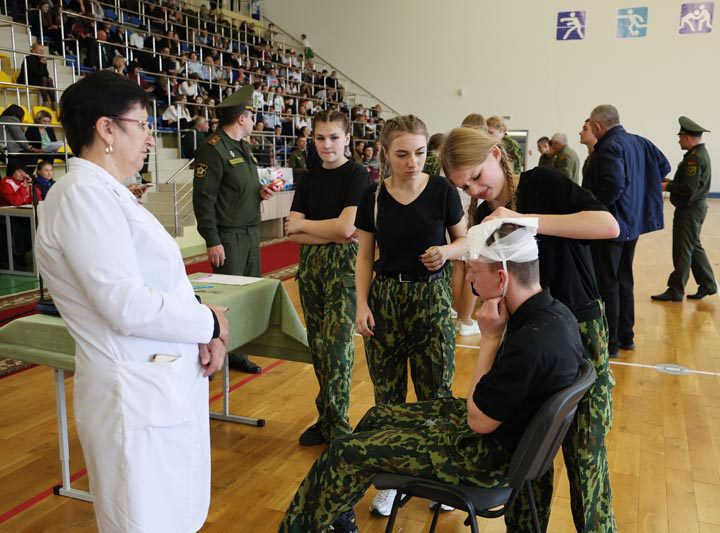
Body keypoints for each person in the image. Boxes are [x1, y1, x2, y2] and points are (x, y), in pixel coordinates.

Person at [279, 220, 584, 533]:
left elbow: (479, 421)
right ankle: (335, 515)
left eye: (475, 272)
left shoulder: (530, 343)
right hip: (501, 438)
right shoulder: (556, 314)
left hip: (483, 457)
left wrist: (490, 339)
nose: (470, 280)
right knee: (376, 417)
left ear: (502, 278)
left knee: (344, 453)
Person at [33, 71, 229, 533]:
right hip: (132, 391)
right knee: (141, 519)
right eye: (141, 125)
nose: (148, 139)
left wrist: (203, 327)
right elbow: (123, 303)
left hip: (158, 380)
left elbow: (157, 285)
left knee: (170, 513)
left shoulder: (105, 193)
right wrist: (208, 324)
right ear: (106, 128)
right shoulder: (80, 196)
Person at [441, 126, 619, 532]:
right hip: (526, 339)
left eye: (475, 177)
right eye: (462, 185)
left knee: (585, 455)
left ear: (497, 155)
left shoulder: (541, 182)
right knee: (528, 454)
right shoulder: (485, 217)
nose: (473, 190)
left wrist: (526, 220)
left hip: (579, 329)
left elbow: (607, 225)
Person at [354, 115, 466, 517]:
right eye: (402, 154)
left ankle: (439, 481)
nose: (413, 162)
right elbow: (365, 256)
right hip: (385, 299)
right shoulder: (374, 197)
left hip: (430, 298)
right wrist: (361, 304)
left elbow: (464, 240)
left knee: (436, 394)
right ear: (385, 153)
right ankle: (392, 481)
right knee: (388, 398)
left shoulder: (442, 192)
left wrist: (447, 253)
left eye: (419, 153)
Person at [284, 110, 371, 447]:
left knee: (336, 348)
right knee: (318, 347)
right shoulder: (309, 178)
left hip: (344, 269)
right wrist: (327, 230)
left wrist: (311, 226)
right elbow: (291, 231)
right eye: (320, 138)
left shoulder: (357, 175)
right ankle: (326, 418)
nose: (326, 144)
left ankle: (339, 425)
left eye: (334, 137)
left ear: (347, 138)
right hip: (311, 269)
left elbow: (347, 228)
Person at [193, 84, 274, 374]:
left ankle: (238, 353)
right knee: (226, 299)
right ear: (242, 118)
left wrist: (259, 192)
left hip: (250, 232)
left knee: (246, 296)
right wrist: (212, 240)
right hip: (228, 236)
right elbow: (204, 199)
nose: (254, 122)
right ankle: (214, 355)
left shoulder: (242, 147)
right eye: (251, 117)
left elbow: (239, 188)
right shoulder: (213, 149)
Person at [584, 104, 670, 358]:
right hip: (632, 223)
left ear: (598, 126)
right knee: (624, 281)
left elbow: (614, 184)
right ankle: (627, 337)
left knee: (608, 283)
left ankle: (611, 343)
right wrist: (640, 188)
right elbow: (663, 167)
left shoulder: (609, 146)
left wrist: (593, 208)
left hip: (612, 225)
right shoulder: (641, 142)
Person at [652, 116, 717, 301]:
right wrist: (669, 182)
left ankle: (675, 289)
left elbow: (688, 189)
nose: (679, 140)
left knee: (682, 250)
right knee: (693, 247)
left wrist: (665, 187)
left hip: (689, 209)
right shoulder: (697, 155)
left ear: (688, 137)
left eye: (680, 136)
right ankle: (708, 284)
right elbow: (688, 184)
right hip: (694, 207)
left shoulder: (693, 160)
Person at [17, 43, 56, 109]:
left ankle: (53, 102)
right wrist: (41, 64)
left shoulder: (41, 60)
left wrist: (43, 64)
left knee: (49, 79)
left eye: (43, 51)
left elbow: (46, 74)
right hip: (27, 80)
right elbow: (36, 74)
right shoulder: (28, 59)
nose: (42, 52)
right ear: (33, 50)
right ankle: (45, 101)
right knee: (44, 79)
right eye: (40, 50)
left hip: (37, 80)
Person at [578, 119, 597, 184]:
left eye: (585, 129)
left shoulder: (600, 158)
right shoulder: (590, 157)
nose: (580, 132)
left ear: (596, 132)